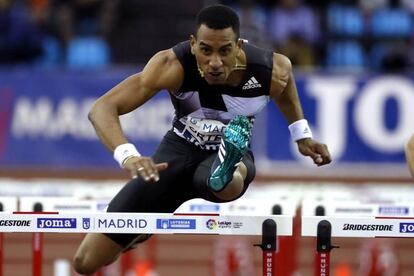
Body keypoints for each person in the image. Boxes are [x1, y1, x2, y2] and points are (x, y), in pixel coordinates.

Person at [72, 4, 331, 275]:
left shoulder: (268, 69)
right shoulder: (171, 65)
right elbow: (101, 109)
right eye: (206, 50)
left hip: (227, 154)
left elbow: (286, 85)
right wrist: (129, 156)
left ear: (239, 45)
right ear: (193, 44)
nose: (215, 62)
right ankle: (142, 230)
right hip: (175, 156)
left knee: (226, 183)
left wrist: (301, 135)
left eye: (225, 51)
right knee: (85, 262)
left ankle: (227, 163)